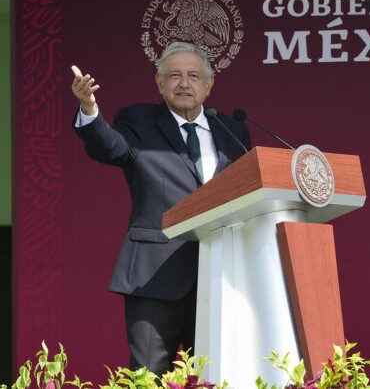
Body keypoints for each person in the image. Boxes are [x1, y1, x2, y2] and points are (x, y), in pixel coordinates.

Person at [70, 42, 251, 375]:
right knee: (148, 377)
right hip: (154, 277)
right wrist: (89, 109)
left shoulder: (232, 130)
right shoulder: (139, 121)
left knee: (218, 375)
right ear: (159, 82)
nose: (184, 83)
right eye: (175, 76)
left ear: (209, 84)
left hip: (220, 279)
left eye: (194, 75)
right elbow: (109, 147)